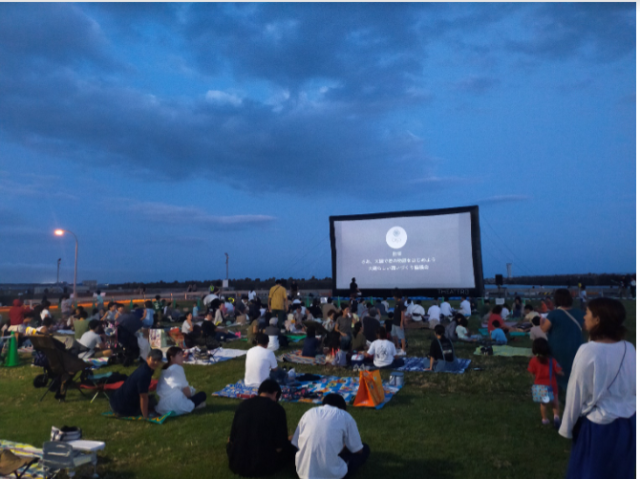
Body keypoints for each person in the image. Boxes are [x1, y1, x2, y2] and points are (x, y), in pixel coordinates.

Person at [559, 298, 636, 479]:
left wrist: (567, 427)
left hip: (599, 426)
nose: (584, 317)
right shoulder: (629, 348)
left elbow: (576, 392)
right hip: (629, 423)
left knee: (590, 473)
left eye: (587, 313)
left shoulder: (589, 351)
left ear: (598, 320)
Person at [227, 379, 296, 477]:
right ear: (275, 394)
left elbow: (231, 439)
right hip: (264, 466)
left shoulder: (243, 405)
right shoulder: (277, 410)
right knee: (292, 445)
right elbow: (280, 447)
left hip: (238, 463)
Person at [292, 393, 369, 479]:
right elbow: (358, 450)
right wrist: (345, 448)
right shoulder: (345, 416)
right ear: (343, 408)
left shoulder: (309, 413)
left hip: (303, 473)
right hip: (332, 475)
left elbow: (296, 443)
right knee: (365, 449)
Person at [540, 288, 585, 392]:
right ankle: (575, 388)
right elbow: (586, 327)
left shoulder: (554, 314)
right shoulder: (579, 313)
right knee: (574, 367)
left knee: (558, 367)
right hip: (576, 344)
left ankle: (558, 389)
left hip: (557, 346)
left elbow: (544, 329)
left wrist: (541, 322)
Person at [109, 349, 163, 418]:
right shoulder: (144, 374)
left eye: (158, 361)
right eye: (153, 360)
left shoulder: (145, 367)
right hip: (121, 407)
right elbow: (143, 397)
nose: (156, 362)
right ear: (147, 358)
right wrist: (145, 416)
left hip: (115, 400)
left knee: (151, 399)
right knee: (153, 402)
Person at [156, 347, 206, 415]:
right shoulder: (177, 368)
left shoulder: (164, 370)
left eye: (182, 355)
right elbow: (186, 390)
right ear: (172, 358)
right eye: (179, 355)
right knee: (202, 395)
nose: (182, 357)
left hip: (162, 406)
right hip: (175, 405)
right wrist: (189, 400)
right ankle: (195, 405)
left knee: (191, 391)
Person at [528, 338, 563, 427]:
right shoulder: (552, 361)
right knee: (555, 402)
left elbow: (531, 372)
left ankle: (544, 419)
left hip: (539, 386)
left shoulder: (533, 361)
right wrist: (562, 373)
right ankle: (556, 417)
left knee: (543, 404)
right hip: (552, 386)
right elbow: (559, 371)